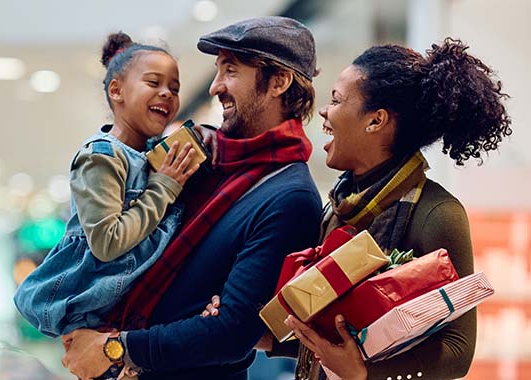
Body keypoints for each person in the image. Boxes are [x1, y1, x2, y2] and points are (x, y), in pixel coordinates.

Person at [204, 38, 512, 380]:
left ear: (376, 120)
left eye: (336, 99)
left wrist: (365, 373)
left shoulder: (437, 213)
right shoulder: (338, 207)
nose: (324, 110)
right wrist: (262, 336)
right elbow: (335, 340)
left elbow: (457, 351)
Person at [61, 16, 323, 379]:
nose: (215, 87)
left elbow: (231, 332)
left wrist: (115, 347)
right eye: (218, 71)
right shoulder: (204, 160)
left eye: (230, 71)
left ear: (279, 81)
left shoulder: (289, 196)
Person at [13, 32, 201, 345]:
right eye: (154, 83)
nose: (167, 93)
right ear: (117, 90)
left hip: (130, 316)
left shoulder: (154, 158)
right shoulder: (100, 156)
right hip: (91, 308)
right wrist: (164, 188)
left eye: (174, 88)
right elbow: (107, 242)